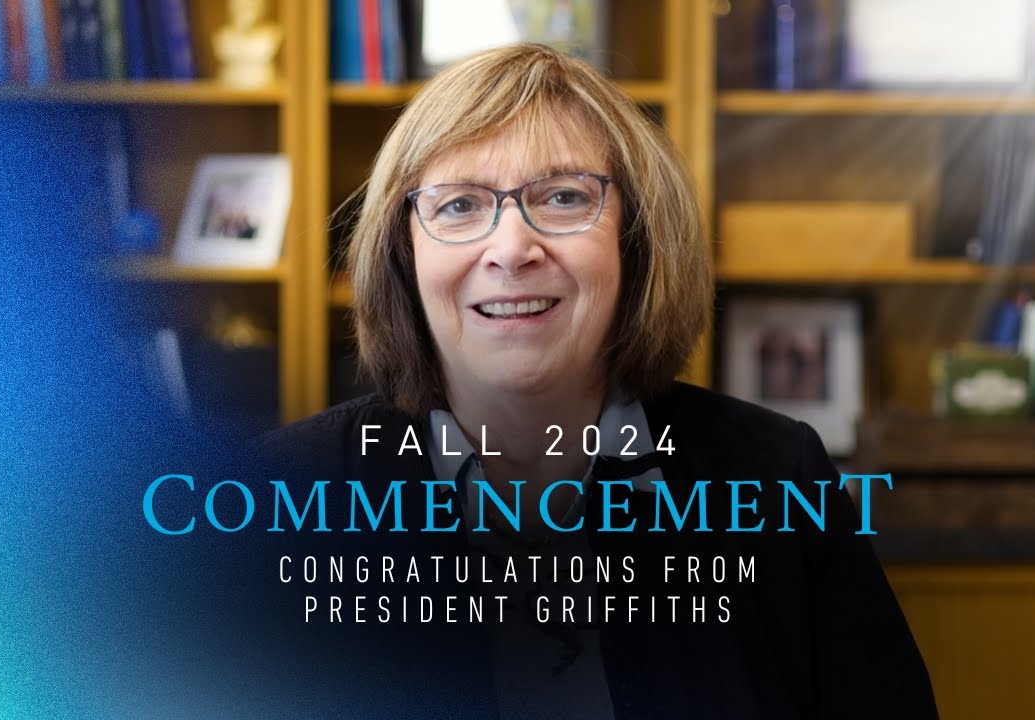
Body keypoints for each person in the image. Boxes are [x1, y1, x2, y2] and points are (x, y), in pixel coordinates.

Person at [259, 43, 937, 718]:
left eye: (562, 197)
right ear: (403, 255)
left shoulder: (777, 479)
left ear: (635, 241)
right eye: (460, 205)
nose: (511, 249)